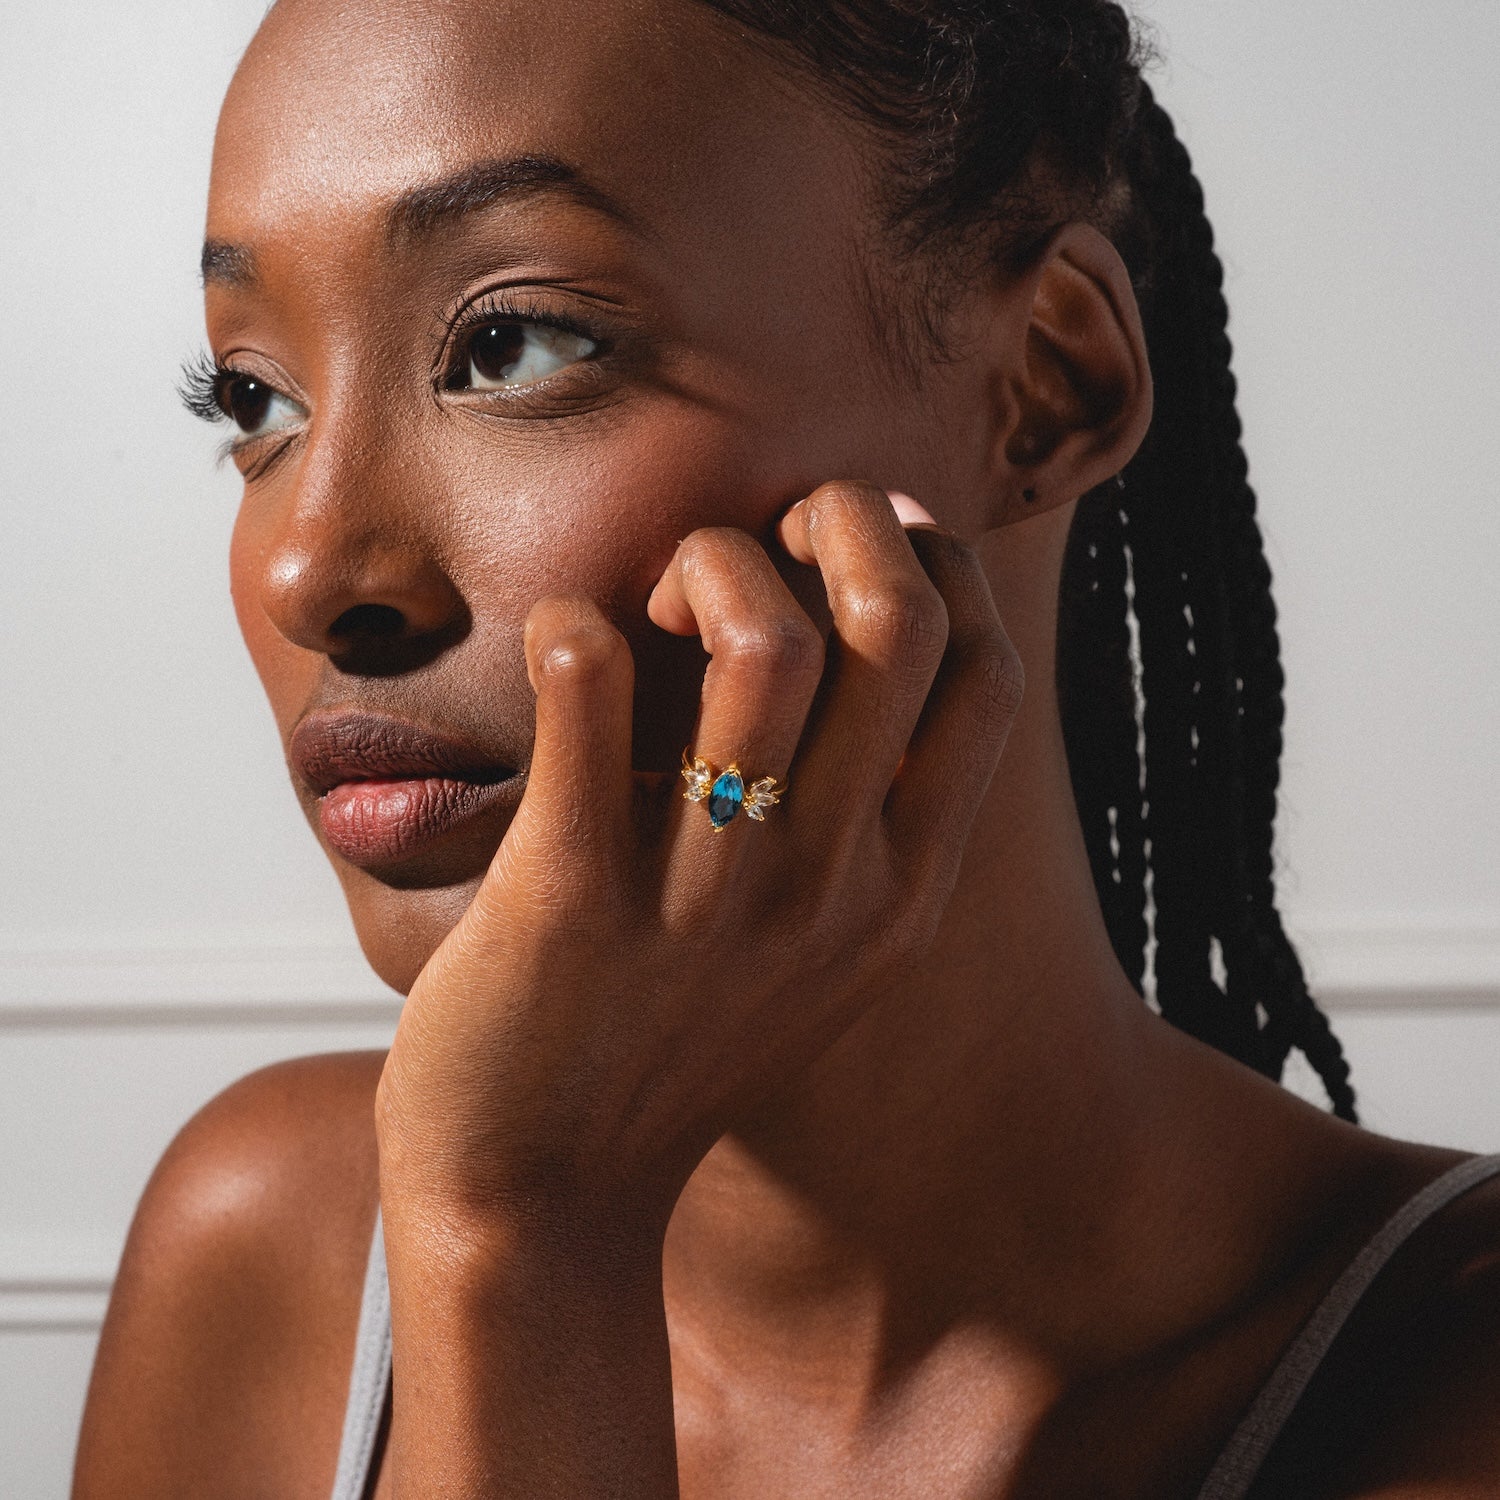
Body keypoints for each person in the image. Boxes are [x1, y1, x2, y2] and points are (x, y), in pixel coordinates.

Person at [71, 1, 1500, 1496]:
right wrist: (520, 1230)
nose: (308, 569)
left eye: (512, 344)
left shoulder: (1457, 1377)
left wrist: (539, 1230)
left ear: (1044, 386)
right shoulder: (269, 1247)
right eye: (256, 399)